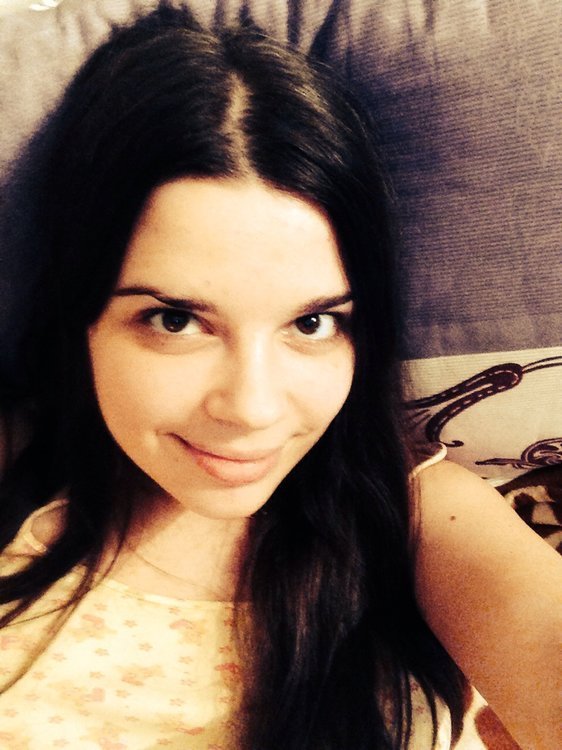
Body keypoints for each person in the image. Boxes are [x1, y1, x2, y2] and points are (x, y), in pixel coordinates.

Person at [0, 2, 560, 748]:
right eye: (176, 320)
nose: (252, 408)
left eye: (313, 323)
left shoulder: (421, 521)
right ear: (83, 311)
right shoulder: (16, 473)